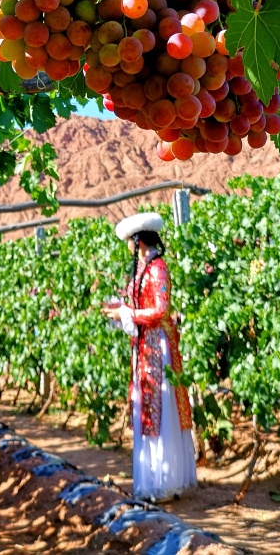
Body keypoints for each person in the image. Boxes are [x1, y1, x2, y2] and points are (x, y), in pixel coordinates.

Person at [102, 212, 197, 504]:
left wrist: (127, 314)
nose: (129, 248)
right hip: (146, 345)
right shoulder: (145, 268)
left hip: (158, 348)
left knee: (160, 407)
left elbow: (161, 310)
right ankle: (158, 479)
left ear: (138, 241)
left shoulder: (157, 269)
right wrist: (120, 310)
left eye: (130, 243)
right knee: (152, 409)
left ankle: (164, 482)